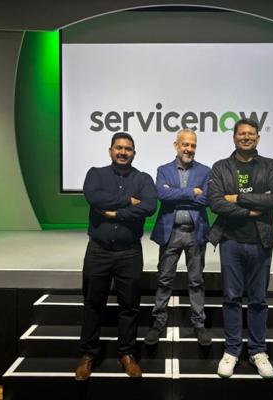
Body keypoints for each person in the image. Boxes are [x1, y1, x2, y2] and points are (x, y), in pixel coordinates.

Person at [75, 132, 157, 380]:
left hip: (129, 253)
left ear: (134, 153)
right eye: (118, 148)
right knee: (93, 304)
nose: (123, 152)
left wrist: (117, 213)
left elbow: (150, 206)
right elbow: (94, 197)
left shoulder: (143, 179)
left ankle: (126, 354)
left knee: (129, 306)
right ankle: (88, 354)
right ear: (110, 150)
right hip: (98, 251)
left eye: (128, 149)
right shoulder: (95, 174)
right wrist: (128, 201)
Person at [208, 118, 273, 379]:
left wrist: (238, 198)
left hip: (261, 241)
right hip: (230, 241)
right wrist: (251, 209)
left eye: (251, 134)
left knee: (258, 299)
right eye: (241, 134)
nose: (246, 137)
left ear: (258, 138)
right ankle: (231, 350)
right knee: (231, 298)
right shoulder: (220, 167)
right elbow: (216, 203)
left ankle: (258, 350)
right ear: (234, 138)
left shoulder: (270, 165)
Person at [146, 129, 212, 346]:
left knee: (196, 281)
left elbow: (207, 200)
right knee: (164, 279)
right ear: (176, 145)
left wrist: (176, 193)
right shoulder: (163, 170)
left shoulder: (205, 171)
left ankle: (199, 324)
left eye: (193, 145)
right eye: (185, 144)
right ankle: (158, 322)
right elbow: (162, 195)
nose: (189, 149)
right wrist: (192, 192)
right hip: (170, 232)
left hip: (195, 232)